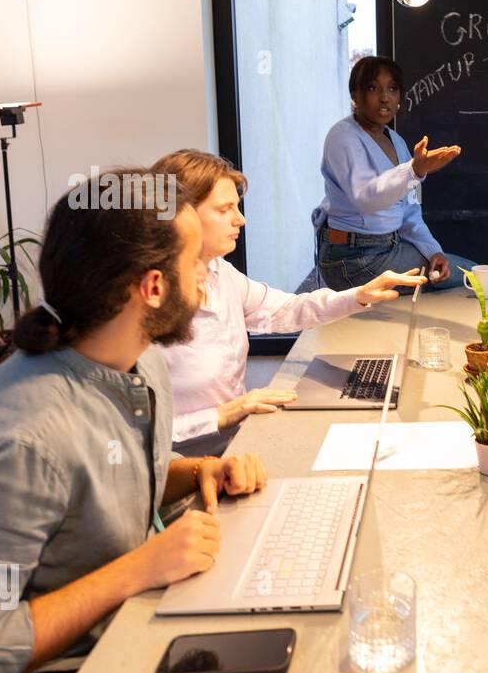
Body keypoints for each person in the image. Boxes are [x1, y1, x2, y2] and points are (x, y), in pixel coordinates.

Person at [0, 170, 270, 673]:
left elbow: (102, 489)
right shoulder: (15, 443)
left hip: (112, 636)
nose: (206, 277)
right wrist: (136, 570)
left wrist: (190, 473)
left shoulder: (139, 362)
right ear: (153, 287)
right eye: (195, 264)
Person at [152, 149, 427, 457]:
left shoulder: (221, 273)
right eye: (224, 209)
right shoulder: (147, 307)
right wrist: (218, 416)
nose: (240, 219)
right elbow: (132, 435)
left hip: (241, 445)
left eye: (237, 207)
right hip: (185, 470)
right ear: (181, 216)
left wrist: (359, 295)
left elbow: (287, 310)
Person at [313, 55, 475, 292]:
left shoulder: (396, 141)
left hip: (389, 248)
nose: (384, 97)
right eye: (372, 88)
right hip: (352, 259)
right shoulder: (343, 136)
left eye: (392, 88)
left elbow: (410, 212)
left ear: (399, 98)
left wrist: (433, 251)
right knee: (471, 276)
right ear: (355, 95)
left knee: (467, 273)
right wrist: (415, 170)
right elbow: (366, 197)